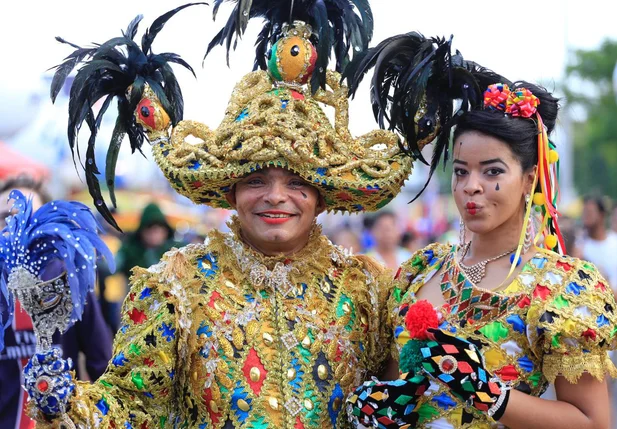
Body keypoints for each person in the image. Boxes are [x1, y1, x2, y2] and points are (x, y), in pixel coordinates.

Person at [24, 3, 419, 427]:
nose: (275, 197)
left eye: (297, 182)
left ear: (322, 197)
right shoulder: (177, 287)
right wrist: (68, 405)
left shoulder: (368, 291)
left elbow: (405, 396)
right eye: (255, 180)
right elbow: (132, 405)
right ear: (230, 191)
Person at [344, 33, 617, 428]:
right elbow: (389, 380)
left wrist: (488, 393)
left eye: (492, 172)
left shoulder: (560, 287)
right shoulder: (420, 271)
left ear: (528, 180)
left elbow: (592, 423)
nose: (471, 186)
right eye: (460, 171)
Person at [0, 176, 112, 429]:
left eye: (27, 218)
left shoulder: (69, 279)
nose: (14, 228)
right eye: (5, 217)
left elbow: (101, 361)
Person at [580, 196, 617, 289]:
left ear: (602, 215)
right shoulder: (579, 246)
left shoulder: (614, 242)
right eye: (584, 212)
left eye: (590, 212)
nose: (586, 217)